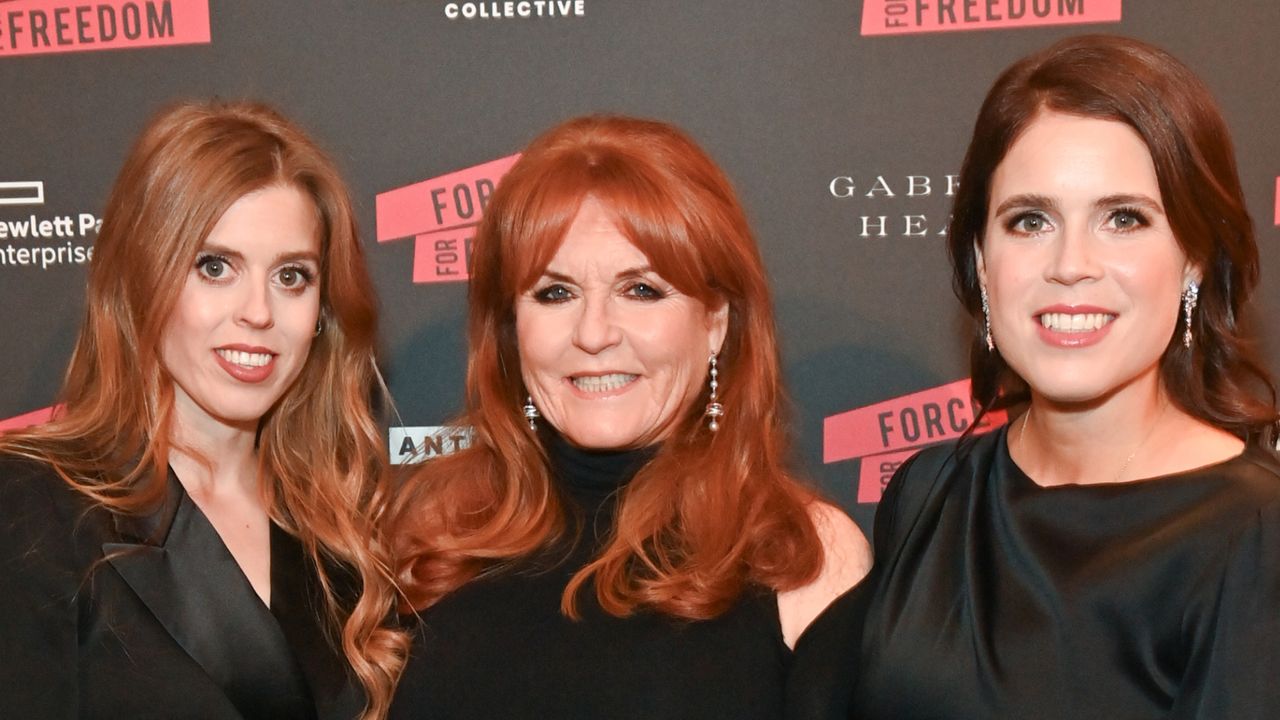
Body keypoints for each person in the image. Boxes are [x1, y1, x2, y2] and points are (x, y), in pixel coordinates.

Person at [788, 34, 1280, 720]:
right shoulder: (931, 492)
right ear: (983, 264)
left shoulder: (1255, 535)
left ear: (1194, 258)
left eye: (1123, 218)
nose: (1071, 264)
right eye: (1030, 221)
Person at [382, 114, 871, 719]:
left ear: (715, 322)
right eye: (554, 293)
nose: (593, 334)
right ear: (510, 330)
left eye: (641, 290)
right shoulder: (431, 537)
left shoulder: (803, 556)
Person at [0, 100, 406, 720]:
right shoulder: (32, 510)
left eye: (291, 276)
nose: (258, 312)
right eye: (215, 267)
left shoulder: (339, 531)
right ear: (144, 278)